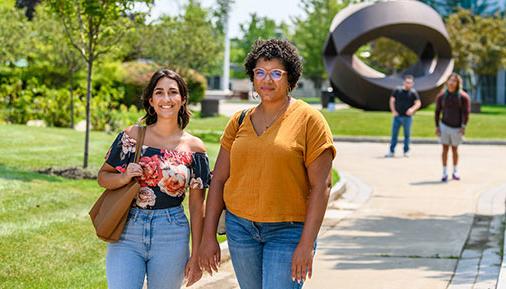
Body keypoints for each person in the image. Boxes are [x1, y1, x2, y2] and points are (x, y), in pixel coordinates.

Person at [198, 39, 336, 289]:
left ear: (290, 77)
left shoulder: (310, 120)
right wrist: (208, 237)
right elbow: (218, 180)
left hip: (288, 232)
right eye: (260, 72)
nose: (267, 80)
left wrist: (306, 244)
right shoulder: (239, 120)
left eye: (276, 73)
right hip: (240, 229)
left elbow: (322, 186)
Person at [97, 69, 210, 289]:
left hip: (172, 233)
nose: (166, 99)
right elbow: (103, 177)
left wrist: (196, 255)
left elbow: (197, 206)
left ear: (183, 99)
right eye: (159, 92)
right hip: (128, 230)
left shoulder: (195, 148)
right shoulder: (132, 136)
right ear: (151, 100)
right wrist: (125, 176)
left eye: (172, 92)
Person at [435, 72, 470, 182]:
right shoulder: (441, 96)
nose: (452, 82)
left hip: (457, 128)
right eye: (450, 80)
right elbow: (437, 112)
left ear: (458, 83)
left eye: (454, 80)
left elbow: (466, 113)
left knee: (455, 149)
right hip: (444, 125)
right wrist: (437, 127)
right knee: (444, 149)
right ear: (447, 81)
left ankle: (455, 171)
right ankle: (444, 172)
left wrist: (463, 127)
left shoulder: (463, 97)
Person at [385, 75, 421, 158]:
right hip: (397, 117)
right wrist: (393, 111)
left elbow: (418, 103)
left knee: (407, 135)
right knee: (394, 135)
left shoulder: (413, 92)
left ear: (412, 84)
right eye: (407, 82)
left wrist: (412, 109)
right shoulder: (397, 90)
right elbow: (391, 101)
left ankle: (406, 151)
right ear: (404, 82)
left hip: (407, 118)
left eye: (410, 83)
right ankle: (391, 151)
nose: (408, 84)